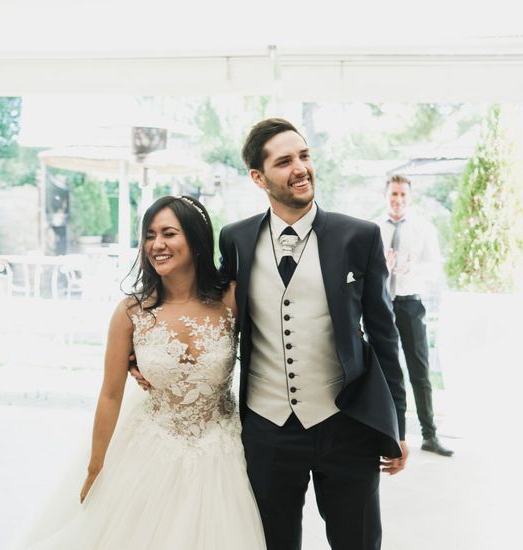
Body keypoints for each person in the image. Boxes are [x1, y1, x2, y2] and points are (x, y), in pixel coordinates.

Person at [133, 118, 407, 550]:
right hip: (267, 429)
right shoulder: (237, 240)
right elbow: (206, 303)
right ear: (258, 178)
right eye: (285, 162)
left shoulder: (359, 236)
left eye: (304, 156)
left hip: (346, 423)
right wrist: (146, 346)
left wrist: (397, 425)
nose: (300, 168)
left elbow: (385, 336)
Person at [19, 196, 266, 549]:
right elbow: (109, 393)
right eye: (150, 235)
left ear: (196, 241)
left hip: (223, 449)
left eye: (169, 233)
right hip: (151, 450)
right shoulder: (131, 313)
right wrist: (95, 467)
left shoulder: (231, 299)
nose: (157, 244)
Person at [375, 174, 452, 457]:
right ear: (386, 196)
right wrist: (381, 267)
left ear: (410, 197)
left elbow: (433, 269)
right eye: (394, 194)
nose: (398, 200)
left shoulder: (423, 229)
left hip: (410, 305)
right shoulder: (373, 228)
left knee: (419, 371)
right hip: (380, 306)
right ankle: (393, 435)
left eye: (403, 195)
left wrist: (411, 270)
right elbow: (360, 269)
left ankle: (430, 435)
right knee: (385, 373)